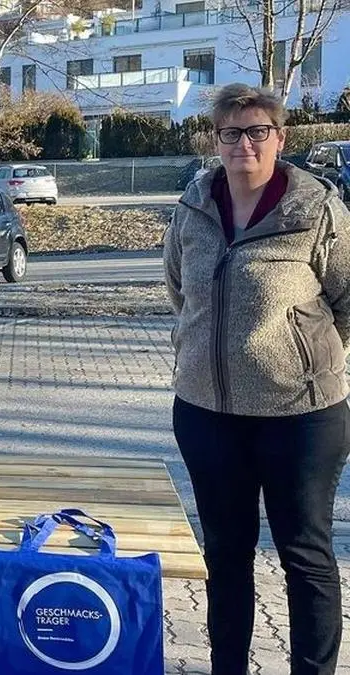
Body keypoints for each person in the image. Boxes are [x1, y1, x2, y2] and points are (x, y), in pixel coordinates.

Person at [165, 83, 350, 675]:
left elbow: (347, 299)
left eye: (256, 131)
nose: (243, 142)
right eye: (230, 132)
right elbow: (180, 291)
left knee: (305, 554)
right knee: (225, 553)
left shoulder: (316, 208)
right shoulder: (192, 207)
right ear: (215, 140)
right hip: (207, 413)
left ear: (279, 138)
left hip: (301, 416)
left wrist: (305, 358)